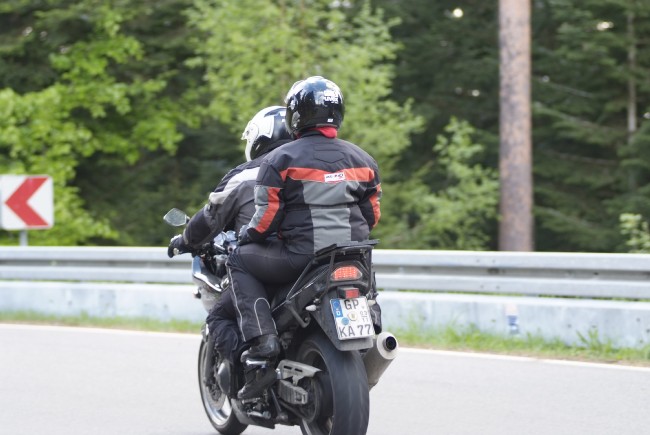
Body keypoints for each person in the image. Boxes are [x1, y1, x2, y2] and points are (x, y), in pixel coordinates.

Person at [228, 76, 382, 399]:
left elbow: (266, 220)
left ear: (296, 116)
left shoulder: (279, 160)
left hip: (301, 258)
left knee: (239, 260)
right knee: (363, 263)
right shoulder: (364, 160)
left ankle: (263, 341)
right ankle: (373, 315)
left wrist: (246, 235)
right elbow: (372, 216)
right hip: (352, 255)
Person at [167, 105, 292, 384]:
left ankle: (254, 375)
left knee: (220, 317)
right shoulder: (311, 166)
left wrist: (185, 240)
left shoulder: (245, 175)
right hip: (316, 258)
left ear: (260, 138)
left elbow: (211, 217)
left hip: (269, 263)